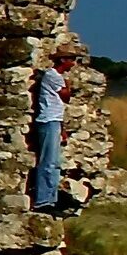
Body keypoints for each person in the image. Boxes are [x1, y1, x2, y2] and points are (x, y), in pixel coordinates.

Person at [30, 48, 80, 214]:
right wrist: (68, 85)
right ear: (62, 60)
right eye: (71, 59)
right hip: (48, 121)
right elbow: (65, 96)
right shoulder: (53, 76)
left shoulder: (54, 76)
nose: (73, 64)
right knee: (48, 162)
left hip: (54, 121)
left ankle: (50, 199)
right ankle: (43, 201)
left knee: (53, 162)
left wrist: (62, 129)